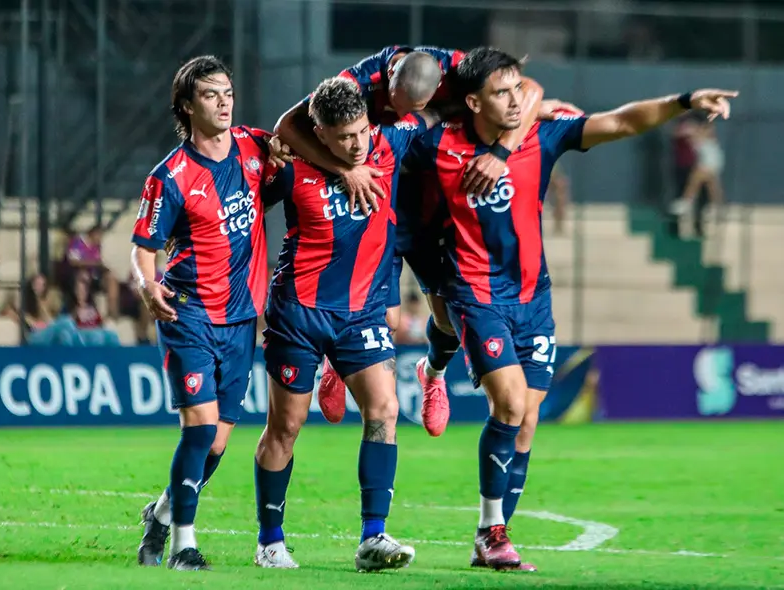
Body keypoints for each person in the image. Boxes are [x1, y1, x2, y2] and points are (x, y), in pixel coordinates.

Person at [409, 46, 737, 571]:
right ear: (472, 101)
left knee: (527, 421)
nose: (515, 100)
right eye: (500, 92)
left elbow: (623, 122)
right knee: (511, 406)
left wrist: (684, 101)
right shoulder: (433, 148)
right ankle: (493, 531)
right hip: (475, 293)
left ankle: (489, 536)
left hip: (533, 297)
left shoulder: (544, 134)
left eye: (518, 89)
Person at [276, 45, 567, 435]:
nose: (400, 116)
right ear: (388, 81)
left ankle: (433, 373)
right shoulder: (358, 79)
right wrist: (346, 171)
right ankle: (336, 363)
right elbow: (287, 125)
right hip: (379, 196)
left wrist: (504, 146)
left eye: (415, 108)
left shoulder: (458, 67)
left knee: (447, 318)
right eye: (396, 106)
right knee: (388, 320)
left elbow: (528, 89)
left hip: (435, 200)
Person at [253, 76, 437, 572]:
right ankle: (270, 540)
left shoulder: (390, 140)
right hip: (299, 313)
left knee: (384, 409)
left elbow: (440, 108)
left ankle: (373, 537)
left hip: (360, 313)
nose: (356, 145)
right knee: (286, 427)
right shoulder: (293, 169)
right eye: (343, 138)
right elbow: (242, 203)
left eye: (360, 132)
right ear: (320, 134)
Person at [130, 55, 282, 572]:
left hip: (241, 321)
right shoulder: (169, 176)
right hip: (189, 314)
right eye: (211, 94)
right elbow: (144, 246)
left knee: (216, 442)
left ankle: (162, 512)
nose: (223, 102)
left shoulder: (254, 147)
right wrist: (148, 285)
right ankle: (183, 546)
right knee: (198, 430)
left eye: (228, 92)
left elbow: (293, 140)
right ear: (187, 105)